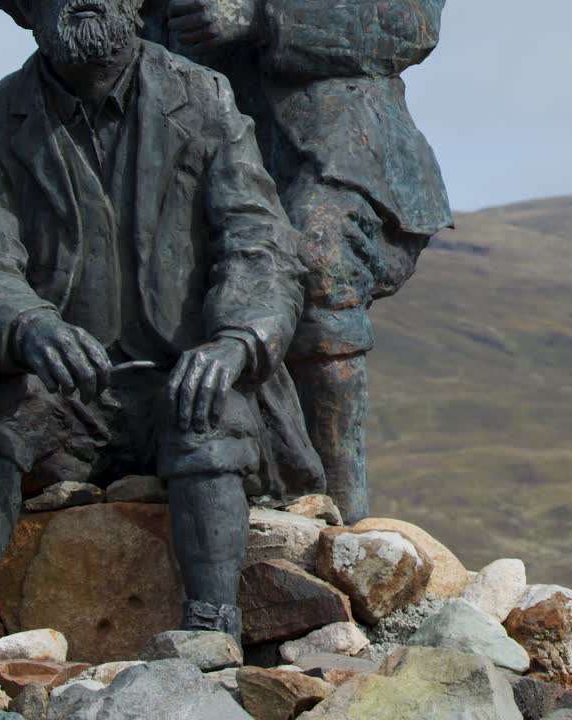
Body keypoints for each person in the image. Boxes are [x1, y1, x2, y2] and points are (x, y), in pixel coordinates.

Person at [0, 0, 319, 645]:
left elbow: (259, 242)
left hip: (175, 381)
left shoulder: (204, 99)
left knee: (210, 406)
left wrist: (237, 342)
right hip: (61, 394)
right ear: (26, 11)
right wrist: (27, 327)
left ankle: (212, 621)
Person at [143, 0, 453, 524]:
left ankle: (341, 517)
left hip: (337, 155)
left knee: (313, 264)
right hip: (188, 143)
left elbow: (409, 22)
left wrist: (262, 16)